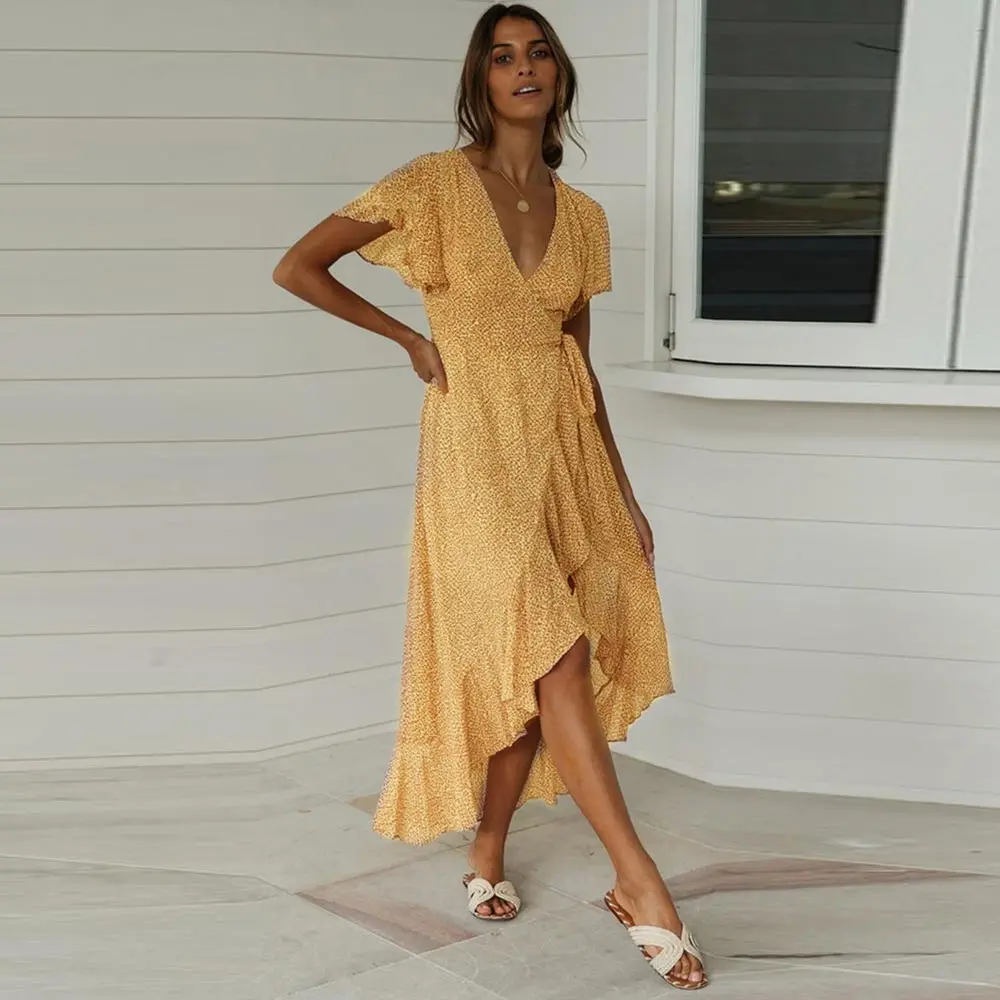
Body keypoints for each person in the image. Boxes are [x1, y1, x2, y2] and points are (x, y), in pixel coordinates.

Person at [273, 3, 707, 990]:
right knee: (551, 649)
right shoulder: (431, 184)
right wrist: (408, 339)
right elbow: (299, 266)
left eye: (538, 52)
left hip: (561, 452)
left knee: (533, 662)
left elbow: (579, 366)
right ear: (480, 79)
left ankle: (487, 848)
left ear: (558, 75)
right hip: (472, 450)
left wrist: (622, 492)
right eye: (503, 56)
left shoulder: (583, 217)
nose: (523, 68)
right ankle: (639, 882)